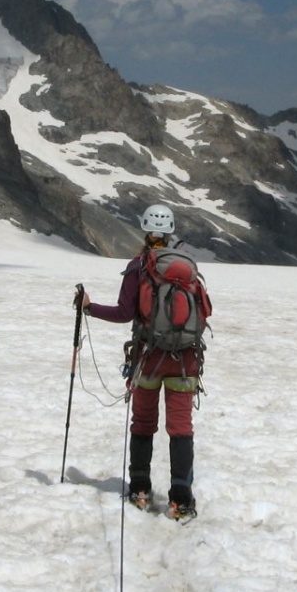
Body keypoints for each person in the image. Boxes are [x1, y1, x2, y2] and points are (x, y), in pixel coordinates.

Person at [79, 203, 200, 520]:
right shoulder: (187, 267)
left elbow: (123, 314)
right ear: (171, 231)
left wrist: (89, 308)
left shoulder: (139, 267)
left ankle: (141, 489)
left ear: (145, 229)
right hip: (185, 360)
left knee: (144, 423)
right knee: (181, 428)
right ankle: (181, 499)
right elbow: (204, 313)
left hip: (148, 359)